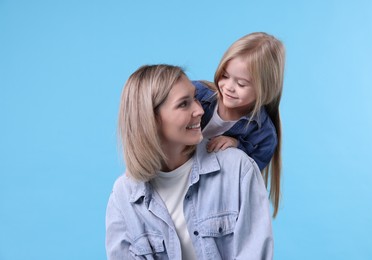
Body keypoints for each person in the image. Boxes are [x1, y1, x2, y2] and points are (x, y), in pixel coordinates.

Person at [106, 64, 273, 259]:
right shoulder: (124, 196)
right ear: (150, 119)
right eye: (184, 104)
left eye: (195, 97)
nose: (200, 110)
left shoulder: (238, 169)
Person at [193, 32, 285, 217]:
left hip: (208, 199)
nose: (228, 86)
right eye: (225, 76)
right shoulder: (197, 93)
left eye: (241, 84)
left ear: (265, 90)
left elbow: (245, 179)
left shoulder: (263, 135)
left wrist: (238, 146)